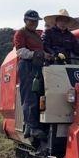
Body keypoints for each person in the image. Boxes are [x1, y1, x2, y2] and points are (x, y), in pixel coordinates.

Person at [14, 10, 52, 139]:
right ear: (25, 20)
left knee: (38, 95)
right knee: (29, 96)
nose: (34, 23)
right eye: (31, 21)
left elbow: (41, 50)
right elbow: (20, 52)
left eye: (36, 21)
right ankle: (32, 127)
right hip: (26, 66)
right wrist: (39, 54)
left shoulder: (36, 35)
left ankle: (31, 126)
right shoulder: (21, 33)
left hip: (37, 66)